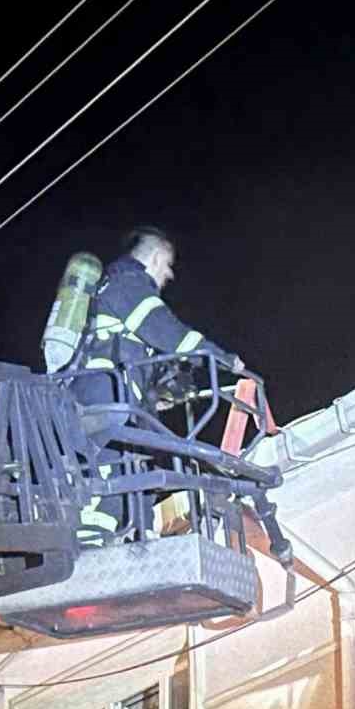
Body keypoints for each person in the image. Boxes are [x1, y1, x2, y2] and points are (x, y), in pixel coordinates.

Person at [70, 227, 243, 545]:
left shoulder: (118, 288)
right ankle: (92, 542)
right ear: (156, 256)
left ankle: (135, 536)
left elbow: (135, 352)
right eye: (167, 265)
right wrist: (222, 359)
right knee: (110, 476)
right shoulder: (127, 283)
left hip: (116, 400)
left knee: (138, 469)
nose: (169, 274)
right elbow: (168, 333)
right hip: (104, 400)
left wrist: (158, 395)